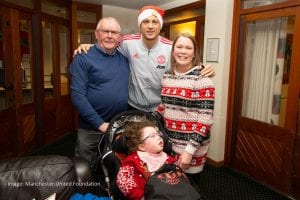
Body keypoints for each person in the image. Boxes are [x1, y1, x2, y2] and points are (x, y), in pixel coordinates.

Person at [73, 5, 215, 112]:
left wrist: (202, 68)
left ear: (160, 26)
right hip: (133, 107)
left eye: (155, 22)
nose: (150, 26)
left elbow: (187, 60)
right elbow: (107, 42)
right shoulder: (127, 42)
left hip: (160, 109)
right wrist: (90, 46)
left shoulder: (171, 47)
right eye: (146, 21)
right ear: (140, 25)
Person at [69, 17, 130, 177]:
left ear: (120, 37)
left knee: (113, 164)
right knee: (84, 169)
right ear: (96, 34)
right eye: (105, 31)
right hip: (91, 127)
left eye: (114, 32)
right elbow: (77, 96)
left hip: (118, 125)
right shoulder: (83, 57)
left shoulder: (124, 59)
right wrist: (100, 124)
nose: (110, 36)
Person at [156, 32, 215, 174]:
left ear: (194, 53)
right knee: (172, 185)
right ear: (173, 51)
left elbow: (205, 120)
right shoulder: (167, 75)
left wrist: (189, 151)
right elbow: (164, 106)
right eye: (179, 47)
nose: (183, 51)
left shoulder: (202, 80)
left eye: (188, 48)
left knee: (189, 190)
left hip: (192, 148)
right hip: (169, 143)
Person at [115, 120, 176, 200]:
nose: (159, 137)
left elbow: (180, 179)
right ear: (141, 147)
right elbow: (123, 181)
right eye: (152, 136)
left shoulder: (169, 159)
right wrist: (141, 197)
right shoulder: (132, 160)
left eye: (158, 134)